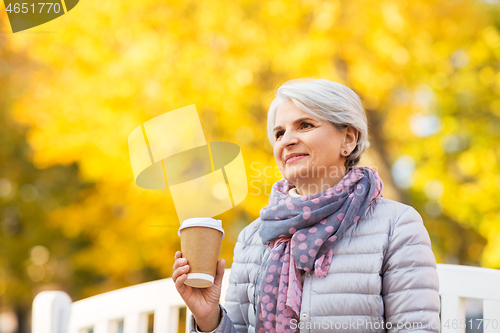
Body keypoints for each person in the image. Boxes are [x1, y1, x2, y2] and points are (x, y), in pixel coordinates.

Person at [172, 78, 440, 333]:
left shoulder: (396, 225)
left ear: (347, 139)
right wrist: (208, 318)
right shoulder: (254, 238)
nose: (286, 140)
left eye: (305, 125)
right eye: (279, 133)